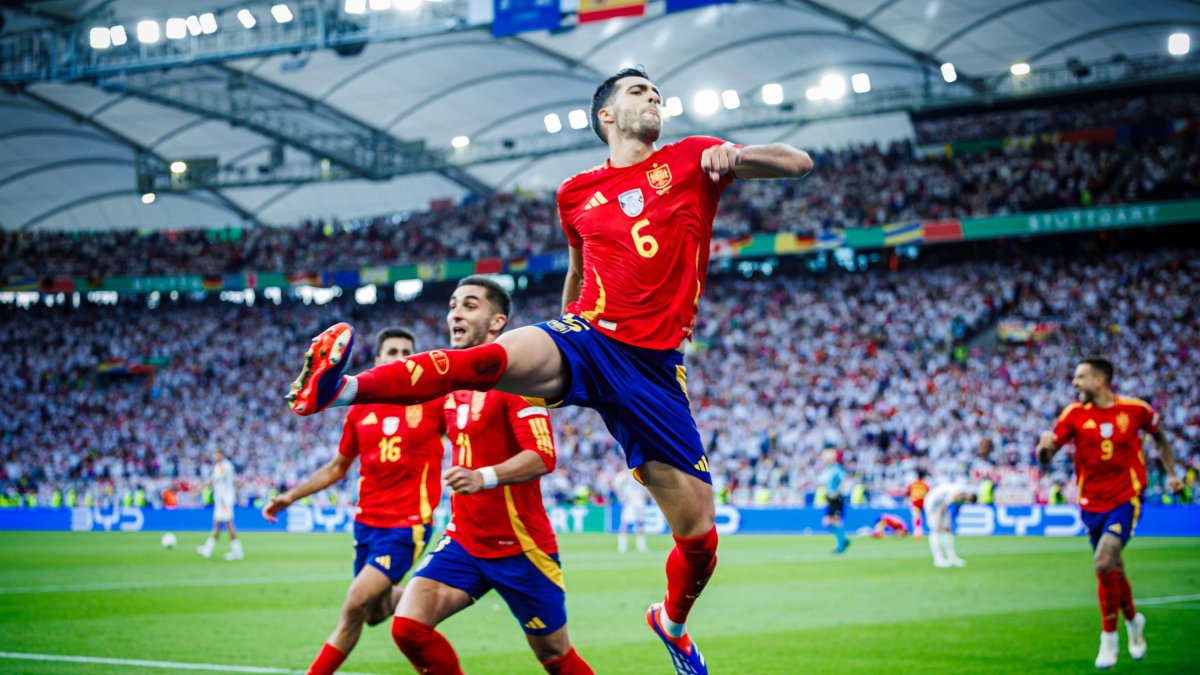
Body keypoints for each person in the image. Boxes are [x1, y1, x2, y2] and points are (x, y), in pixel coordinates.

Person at [285, 67, 812, 674]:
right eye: (639, 92)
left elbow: (798, 163)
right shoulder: (575, 193)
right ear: (606, 116)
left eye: (656, 93)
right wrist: (563, 333)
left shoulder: (692, 157)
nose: (653, 98)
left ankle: (671, 622)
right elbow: (579, 269)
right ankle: (340, 388)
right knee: (482, 362)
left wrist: (737, 156)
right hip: (589, 338)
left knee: (699, 539)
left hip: (656, 371)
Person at [389, 277, 592, 675]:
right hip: (464, 540)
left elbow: (543, 456)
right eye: (452, 305)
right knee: (408, 628)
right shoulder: (454, 385)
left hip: (521, 547)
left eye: (469, 305)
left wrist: (482, 477)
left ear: (497, 322)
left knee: (555, 656)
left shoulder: (518, 382)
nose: (455, 314)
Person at [262, 327, 446, 675]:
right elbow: (337, 467)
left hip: (406, 526)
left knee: (354, 604)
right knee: (374, 612)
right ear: (378, 360)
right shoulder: (360, 410)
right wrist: (290, 497)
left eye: (407, 352)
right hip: (365, 525)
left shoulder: (434, 403)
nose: (400, 357)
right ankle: (423, 596)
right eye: (392, 352)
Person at [1036, 358, 1183, 669]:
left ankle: (1109, 639)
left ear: (1099, 380)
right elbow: (1048, 455)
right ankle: (1134, 621)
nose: (1074, 382)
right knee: (1113, 568)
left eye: (1080, 376)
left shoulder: (1136, 410)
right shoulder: (1074, 414)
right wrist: (1043, 448)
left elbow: (1161, 439)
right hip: (1090, 503)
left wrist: (1171, 473)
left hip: (1126, 498)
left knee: (1103, 561)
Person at [197, 449, 242, 561]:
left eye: (217, 454)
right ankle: (208, 548)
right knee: (217, 524)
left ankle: (238, 552)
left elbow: (214, 480)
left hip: (224, 501)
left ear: (222, 454)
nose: (215, 456)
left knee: (228, 524)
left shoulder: (225, 466)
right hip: (221, 500)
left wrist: (201, 487)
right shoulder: (221, 466)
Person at [924, 482, 973, 568]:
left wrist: (948, 524)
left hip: (940, 504)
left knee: (947, 530)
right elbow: (944, 507)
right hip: (932, 503)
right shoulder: (956, 493)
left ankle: (952, 557)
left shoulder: (961, 497)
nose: (966, 501)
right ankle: (938, 559)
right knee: (935, 530)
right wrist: (939, 523)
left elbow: (950, 510)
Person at [819, 449, 850, 554]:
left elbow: (844, 480)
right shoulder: (827, 469)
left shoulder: (837, 468)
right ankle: (844, 539)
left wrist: (837, 492)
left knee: (836, 520)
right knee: (826, 522)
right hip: (830, 498)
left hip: (837, 498)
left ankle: (840, 546)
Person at [614, 468, 649, 553]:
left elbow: (646, 486)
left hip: (640, 501)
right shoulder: (626, 473)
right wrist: (621, 496)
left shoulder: (642, 472)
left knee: (640, 523)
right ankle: (622, 545)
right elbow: (615, 484)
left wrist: (645, 496)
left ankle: (641, 545)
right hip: (629, 502)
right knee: (625, 523)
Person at [906, 468, 930, 538]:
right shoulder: (925, 484)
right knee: (928, 516)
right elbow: (928, 493)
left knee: (917, 517)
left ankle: (918, 532)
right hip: (924, 502)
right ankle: (928, 530)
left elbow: (908, 492)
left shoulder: (913, 484)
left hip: (915, 502)